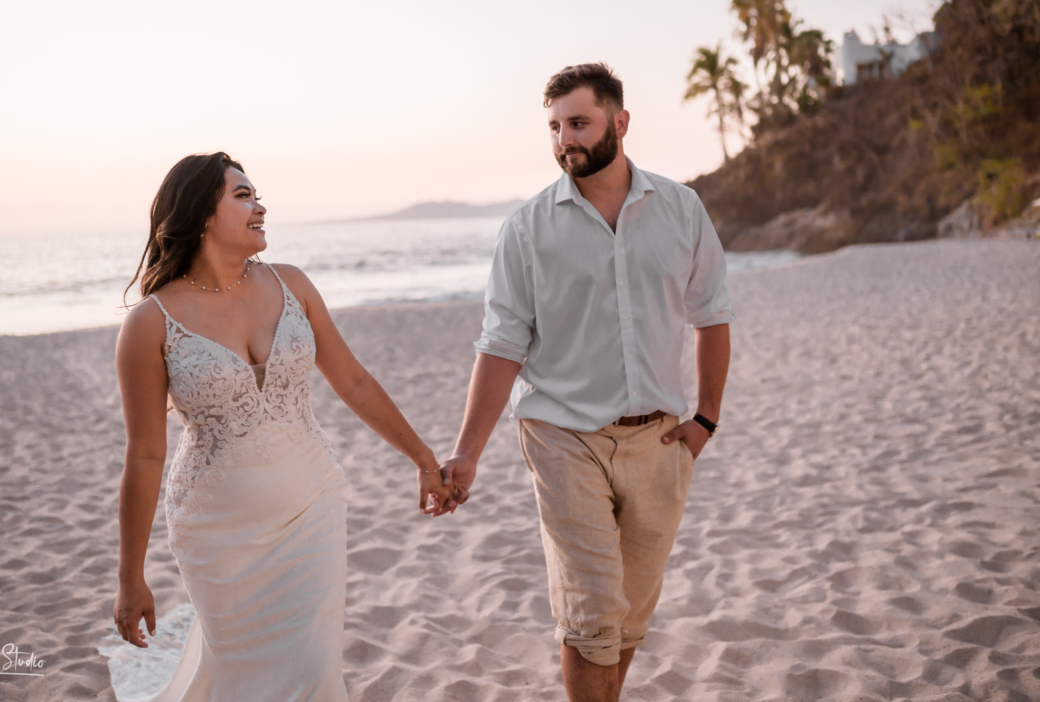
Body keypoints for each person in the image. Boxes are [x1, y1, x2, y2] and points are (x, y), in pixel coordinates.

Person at [435, 64, 733, 702]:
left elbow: (712, 316)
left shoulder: (681, 209)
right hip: (563, 434)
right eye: (553, 126)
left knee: (627, 621)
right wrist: (467, 451)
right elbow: (501, 346)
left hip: (659, 441)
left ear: (619, 123)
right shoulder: (526, 228)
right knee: (593, 613)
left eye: (578, 122)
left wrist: (705, 420)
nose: (564, 138)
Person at [112, 152, 451, 701]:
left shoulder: (291, 284)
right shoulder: (150, 323)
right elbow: (145, 455)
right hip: (217, 534)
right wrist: (131, 577)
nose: (260, 206)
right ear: (200, 214)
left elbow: (354, 382)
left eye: (256, 194)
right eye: (242, 196)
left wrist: (424, 459)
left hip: (310, 509)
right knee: (244, 681)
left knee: (314, 673)